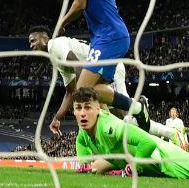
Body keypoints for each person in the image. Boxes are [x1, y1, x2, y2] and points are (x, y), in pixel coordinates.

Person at [23, 0, 150, 128]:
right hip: (105, 37)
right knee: (95, 90)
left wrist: (61, 24)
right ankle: (137, 109)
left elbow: (80, 4)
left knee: (82, 92)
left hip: (110, 36)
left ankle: (128, 117)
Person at [28, 27, 174, 140]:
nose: (31, 45)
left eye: (33, 40)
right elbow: (70, 91)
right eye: (30, 43)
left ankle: (144, 111)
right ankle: (169, 134)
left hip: (110, 68)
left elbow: (78, 65)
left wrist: (84, 96)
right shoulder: (57, 60)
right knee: (122, 122)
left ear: (45, 38)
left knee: (127, 118)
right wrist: (57, 117)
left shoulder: (55, 44)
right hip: (100, 76)